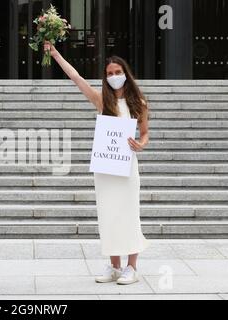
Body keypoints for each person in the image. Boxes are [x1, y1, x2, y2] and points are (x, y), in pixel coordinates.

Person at [45, 42, 150, 285]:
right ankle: (114, 266)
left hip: (126, 168)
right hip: (105, 168)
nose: (114, 76)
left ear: (126, 74)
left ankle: (131, 267)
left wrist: (141, 144)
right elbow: (76, 77)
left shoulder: (139, 103)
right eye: (110, 74)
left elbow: (145, 133)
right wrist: (56, 54)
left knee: (128, 214)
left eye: (118, 72)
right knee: (109, 214)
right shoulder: (102, 101)